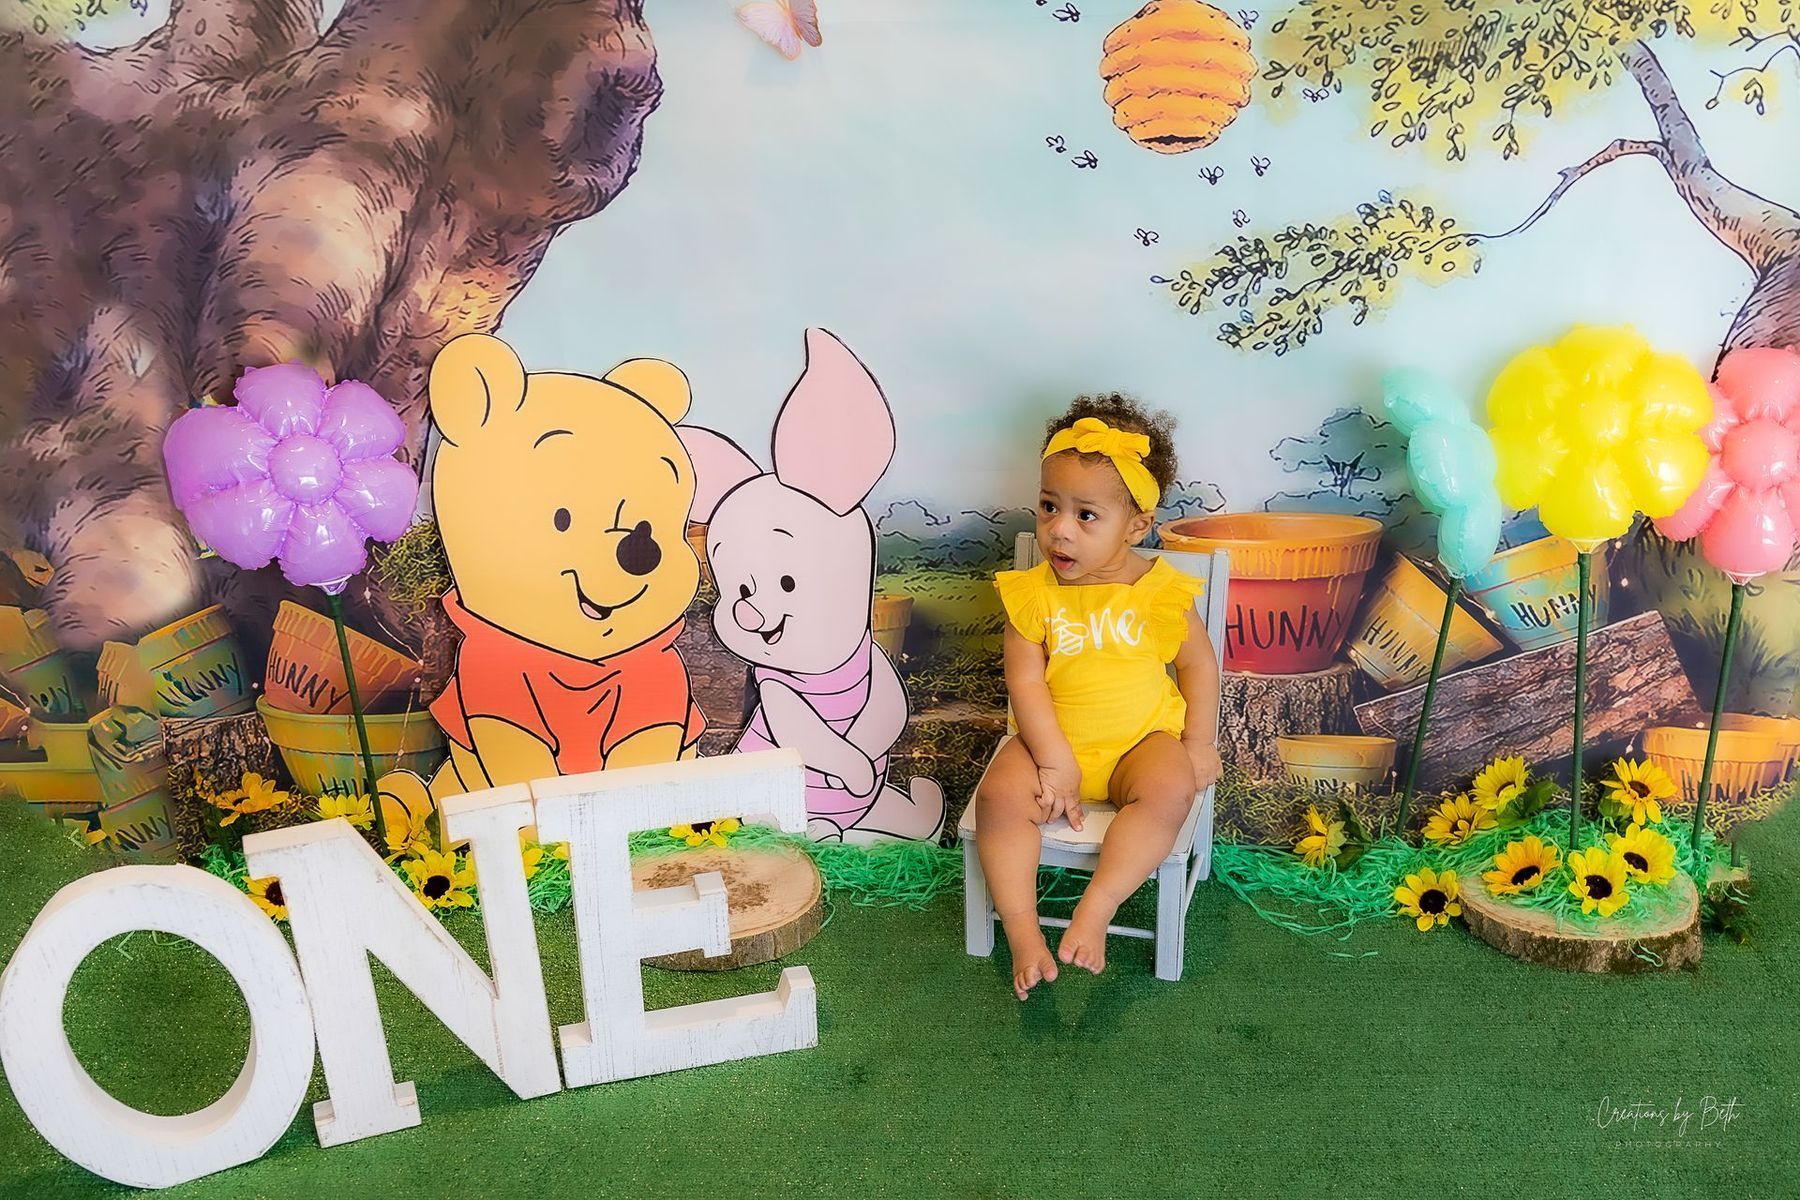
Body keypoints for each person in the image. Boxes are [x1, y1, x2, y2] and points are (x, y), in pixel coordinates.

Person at [978, 395, 1222, 1000]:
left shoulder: (1158, 592)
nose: (1059, 528)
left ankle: (1098, 906)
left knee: (1168, 790)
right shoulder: (1033, 595)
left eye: (1087, 515)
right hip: (1048, 745)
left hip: (1138, 745)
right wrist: (1054, 760)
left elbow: (1198, 666)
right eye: (1048, 506)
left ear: (1136, 525)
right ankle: (1023, 928)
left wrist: (1197, 743)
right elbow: (1025, 682)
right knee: (1000, 800)